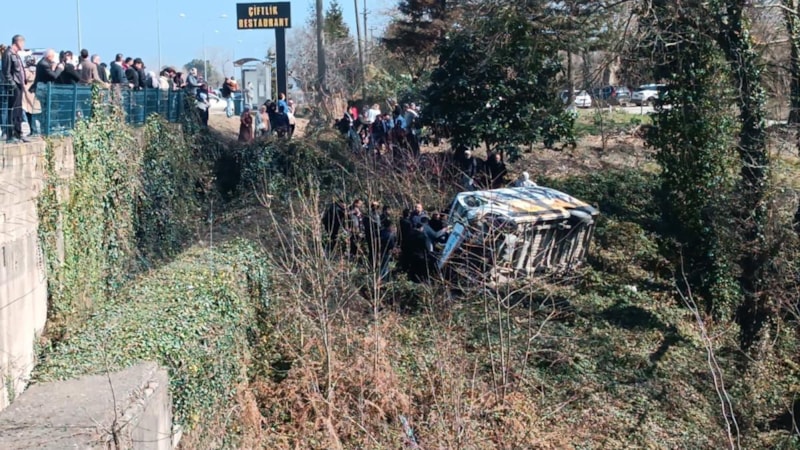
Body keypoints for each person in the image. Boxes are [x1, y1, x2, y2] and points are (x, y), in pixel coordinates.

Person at [2, 34, 30, 143]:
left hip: (19, 85)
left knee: (18, 110)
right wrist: (13, 85)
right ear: (17, 42)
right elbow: (6, 72)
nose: (23, 45)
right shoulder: (8, 53)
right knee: (12, 110)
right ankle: (11, 134)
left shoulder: (16, 54)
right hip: (14, 86)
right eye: (22, 42)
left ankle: (18, 133)